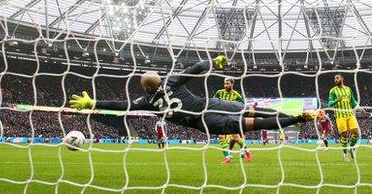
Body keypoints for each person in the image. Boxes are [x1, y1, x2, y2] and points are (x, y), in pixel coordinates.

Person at [69, 55, 316, 136]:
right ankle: (295, 115)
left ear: (146, 88)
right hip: (211, 103)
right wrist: (214, 61)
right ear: (160, 79)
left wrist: (92, 102)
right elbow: (196, 69)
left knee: (253, 124)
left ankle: (297, 119)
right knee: (254, 110)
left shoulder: (147, 101)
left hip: (206, 122)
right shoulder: (172, 80)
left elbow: (121, 105)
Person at [213, 77, 252, 164]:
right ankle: (227, 157)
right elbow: (213, 102)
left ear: (232, 84)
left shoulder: (236, 95)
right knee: (221, 137)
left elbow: (242, 107)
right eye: (225, 84)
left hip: (231, 119)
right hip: (221, 118)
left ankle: (247, 151)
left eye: (227, 84)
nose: (225, 85)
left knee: (237, 139)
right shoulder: (219, 93)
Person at [328, 74, 362, 161]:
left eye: (337, 78)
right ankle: (345, 154)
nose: (336, 80)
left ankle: (351, 148)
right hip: (340, 116)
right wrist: (337, 100)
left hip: (350, 114)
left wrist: (360, 108)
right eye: (334, 79)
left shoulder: (348, 89)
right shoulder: (333, 91)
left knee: (356, 133)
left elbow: (353, 101)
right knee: (345, 135)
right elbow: (329, 104)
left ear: (342, 79)